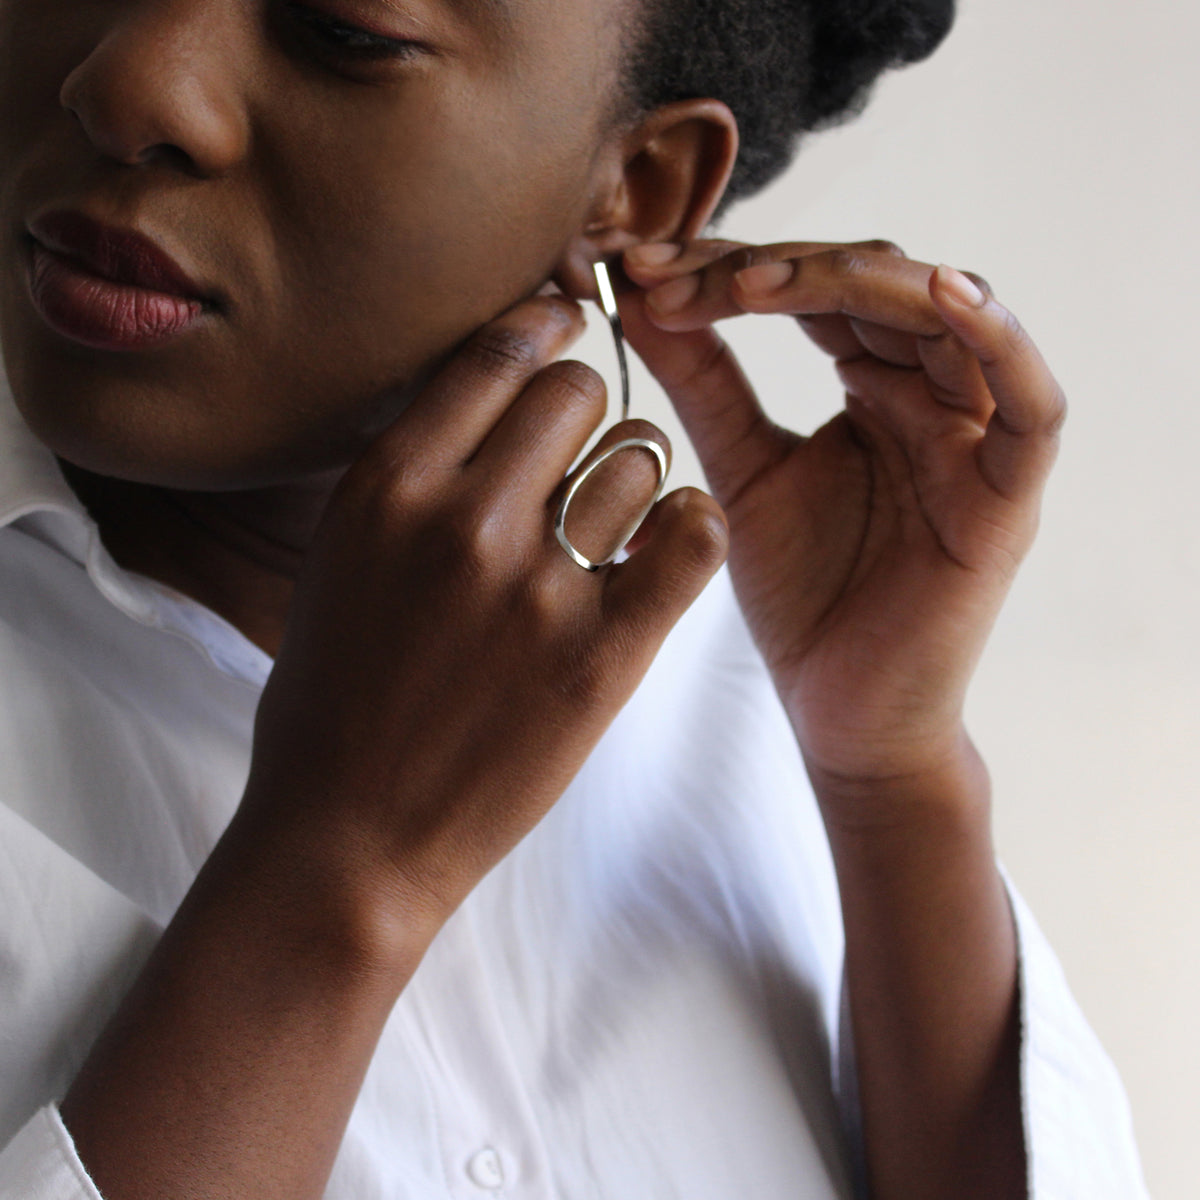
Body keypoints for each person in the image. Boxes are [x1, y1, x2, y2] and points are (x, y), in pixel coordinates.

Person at [0, 0, 1148, 1197]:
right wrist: (341, 873)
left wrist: (890, 778)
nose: (128, 84)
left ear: (638, 186)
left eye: (345, 27)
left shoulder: (740, 693)